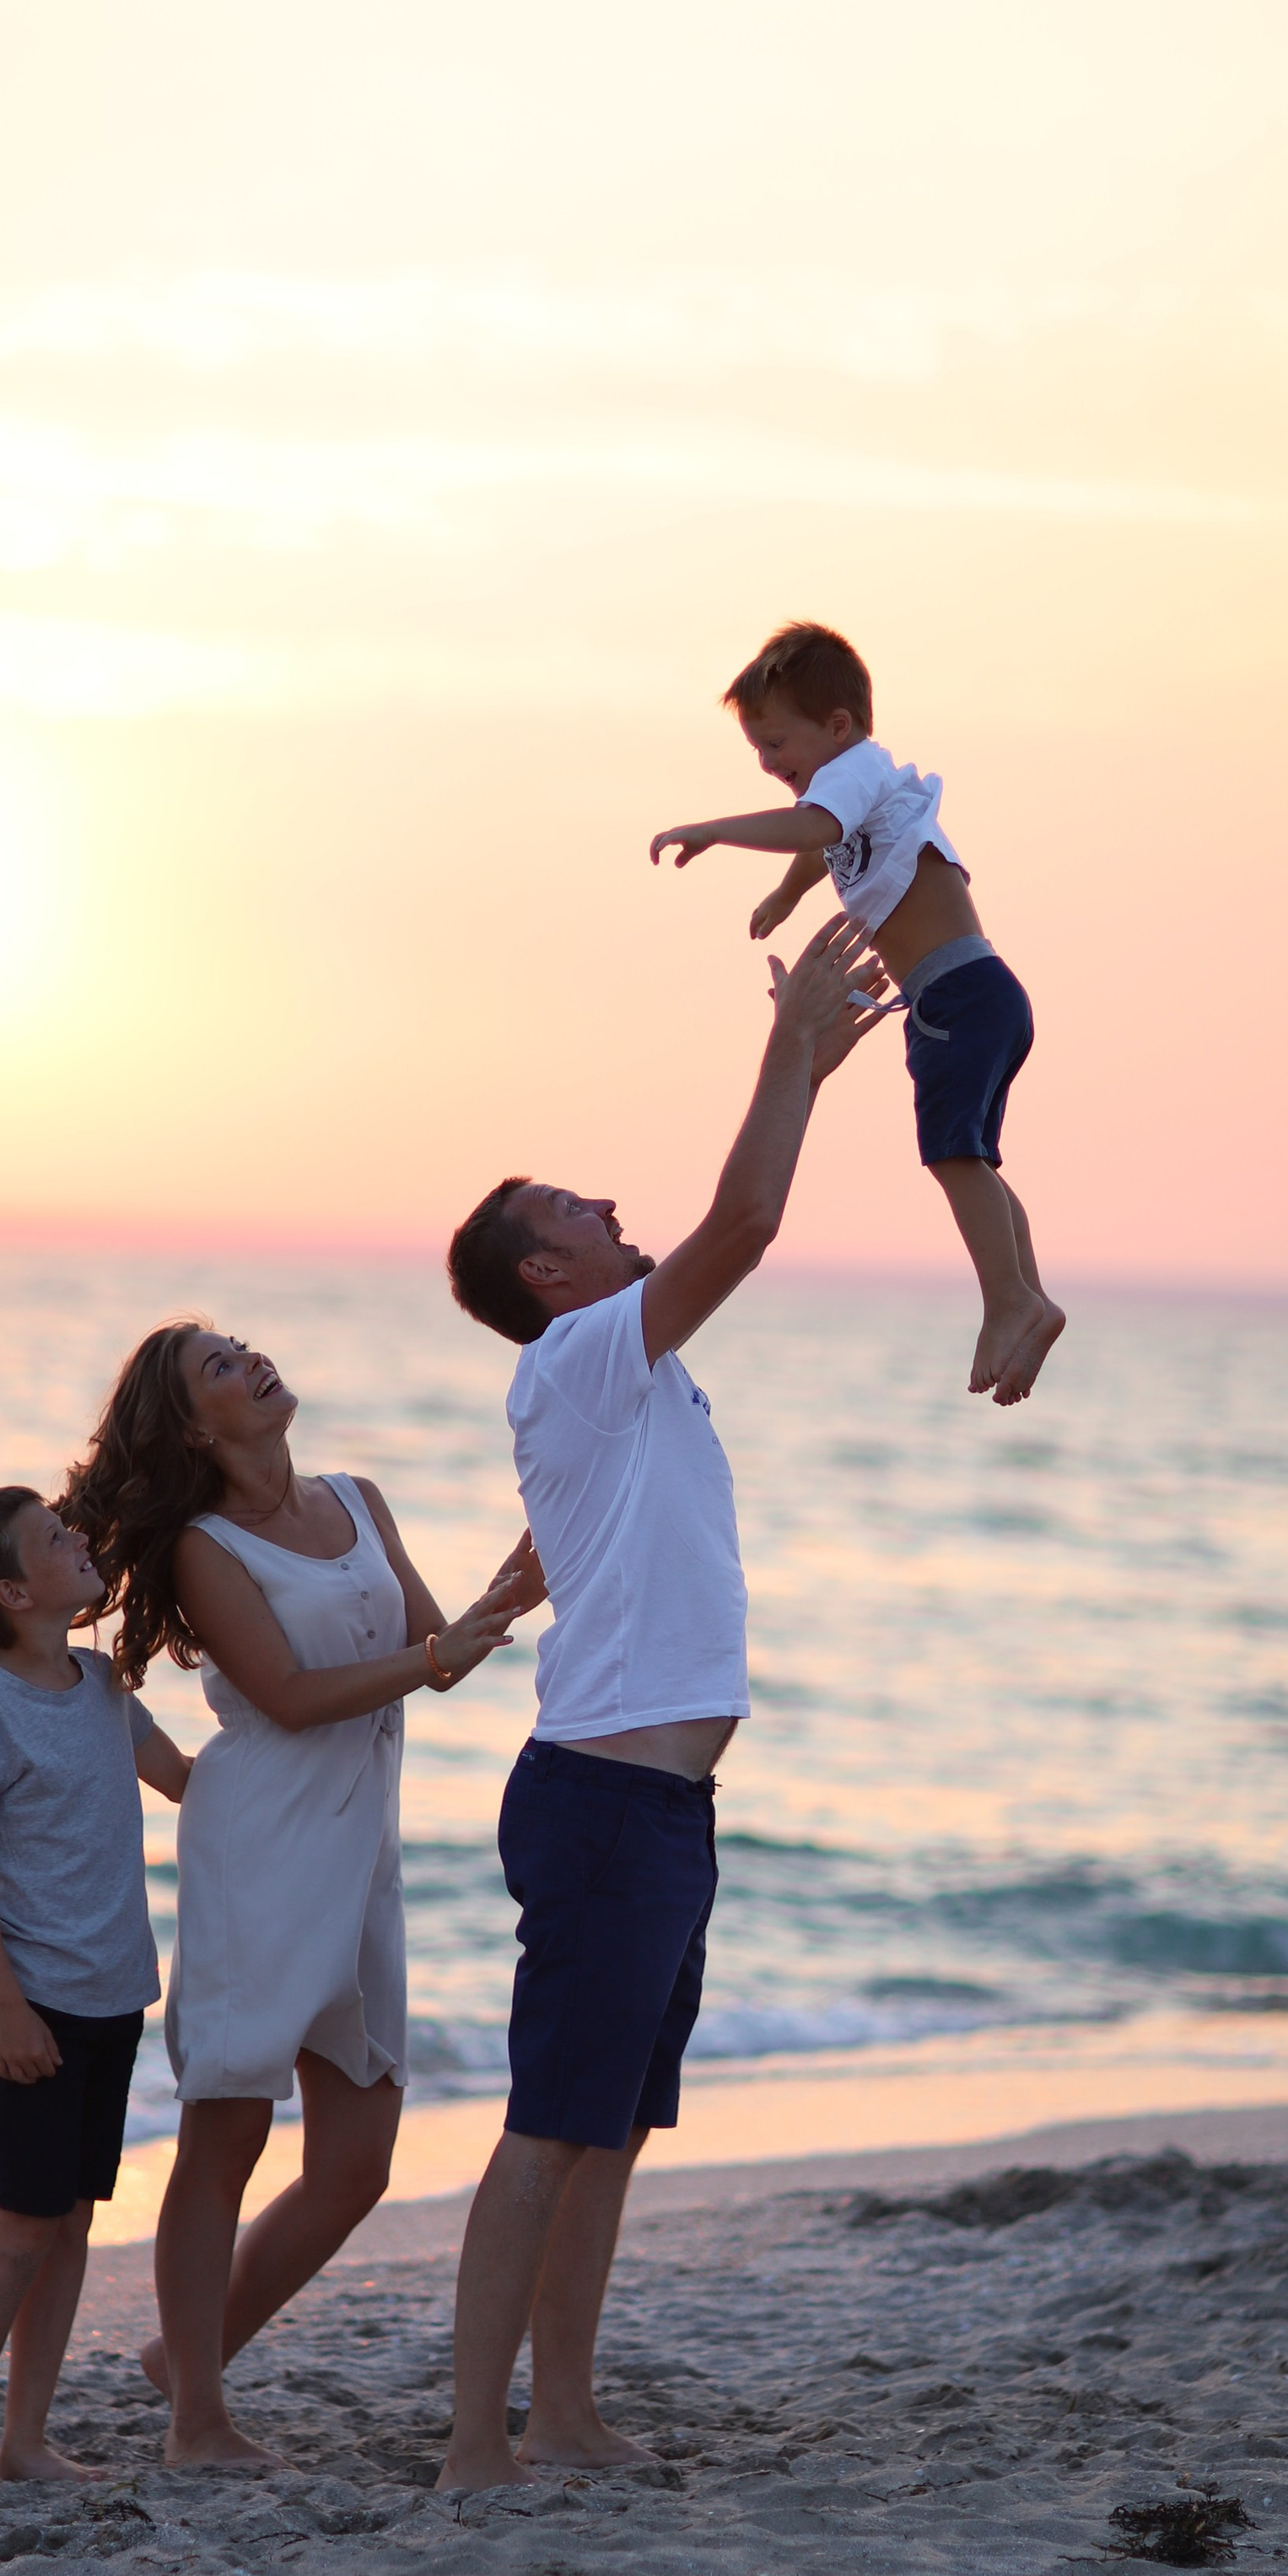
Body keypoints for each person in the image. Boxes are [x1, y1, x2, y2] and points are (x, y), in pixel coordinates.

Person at [437, 911, 886, 2492]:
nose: (608, 1201)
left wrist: (495, 1599)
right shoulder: (579, 1353)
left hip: (664, 1809)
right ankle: (473, 2445)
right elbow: (745, 1224)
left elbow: (571, 1531)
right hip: (607, 1809)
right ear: (546, 1273)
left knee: (610, 2131)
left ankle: (562, 2415)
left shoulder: (623, 1376)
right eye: (574, 1205)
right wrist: (794, 1049)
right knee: (551, 2127)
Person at [63, 1322, 541, 2469]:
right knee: (225, 2133)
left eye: (243, 1347)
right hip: (262, 1845)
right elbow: (282, 1694)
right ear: (192, 1425)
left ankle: (189, 2353)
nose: (251, 1363)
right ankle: (198, 2424)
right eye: (218, 1368)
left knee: (355, 2162)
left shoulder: (360, 1499)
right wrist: (440, 1655)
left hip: (360, 1847)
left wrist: (511, 1594)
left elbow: (435, 1641)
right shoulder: (199, 1545)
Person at [649, 620, 1064, 1407]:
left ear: (836, 727)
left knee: (954, 1158)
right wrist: (788, 892)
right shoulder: (863, 785)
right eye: (760, 755)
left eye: (777, 745)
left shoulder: (859, 770)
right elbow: (826, 844)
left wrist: (715, 831)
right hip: (974, 994)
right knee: (973, 1155)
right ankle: (1029, 1301)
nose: (772, 767)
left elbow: (815, 828)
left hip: (957, 995)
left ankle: (1007, 1298)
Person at [0, 1483, 190, 2487]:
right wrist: (10, 2009)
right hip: (33, 2002)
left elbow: (180, 1779)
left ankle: (26, 2439)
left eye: (68, 1529)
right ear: (12, 1592)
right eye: (52, 1540)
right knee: (23, 2222)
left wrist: (302, 1755)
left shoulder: (105, 1682)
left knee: (72, 2218)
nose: (77, 1543)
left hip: (114, 1991)